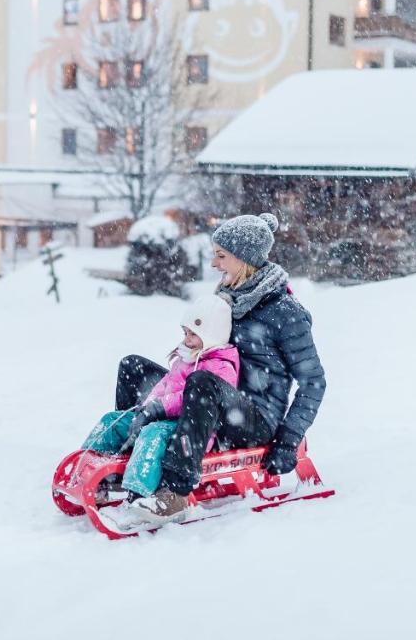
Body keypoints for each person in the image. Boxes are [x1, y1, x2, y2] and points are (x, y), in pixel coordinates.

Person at [119, 212, 326, 523]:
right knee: (133, 367)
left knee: (202, 382)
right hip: (206, 402)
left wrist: (287, 440)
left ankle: (174, 493)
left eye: (221, 256)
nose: (214, 265)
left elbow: (314, 382)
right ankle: (131, 460)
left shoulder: (286, 313)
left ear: (244, 259)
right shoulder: (227, 299)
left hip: (254, 419)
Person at [79, 295, 238, 504]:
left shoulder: (222, 367)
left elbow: (191, 398)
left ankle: (139, 492)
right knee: (113, 420)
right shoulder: (186, 357)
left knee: (152, 433)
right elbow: (165, 384)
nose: (187, 339)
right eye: (186, 333)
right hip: (163, 415)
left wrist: (159, 408)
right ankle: (85, 470)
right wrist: (146, 408)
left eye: (194, 334)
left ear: (212, 335)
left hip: (189, 428)